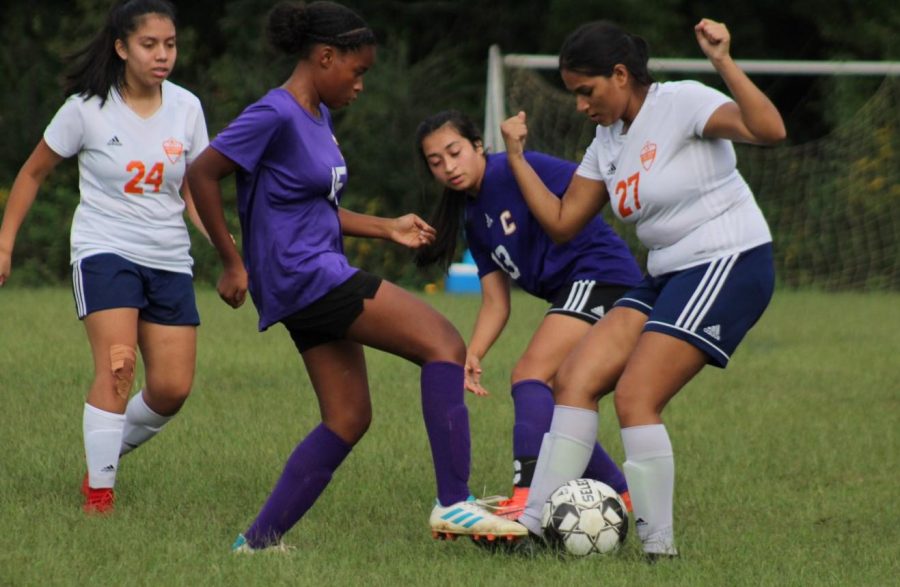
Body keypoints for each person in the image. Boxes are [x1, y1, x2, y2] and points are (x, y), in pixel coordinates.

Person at [185, 1, 526, 552]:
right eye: (357, 70)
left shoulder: (319, 116)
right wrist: (232, 261)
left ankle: (256, 544)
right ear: (324, 57)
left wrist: (384, 228)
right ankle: (454, 503)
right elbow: (203, 171)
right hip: (305, 277)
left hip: (312, 276)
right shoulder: (274, 113)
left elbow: (308, 205)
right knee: (444, 343)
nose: (361, 83)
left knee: (347, 418)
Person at [499, 19, 785, 558]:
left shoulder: (680, 102)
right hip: (669, 272)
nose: (582, 105)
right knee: (574, 379)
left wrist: (723, 60)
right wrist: (515, 158)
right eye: (575, 94)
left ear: (621, 74)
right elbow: (563, 222)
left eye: (588, 91)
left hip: (729, 259)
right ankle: (534, 528)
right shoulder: (606, 143)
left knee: (635, 397)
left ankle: (660, 550)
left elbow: (769, 130)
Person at [0, 0, 210, 514]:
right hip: (104, 250)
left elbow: (196, 192)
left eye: (170, 44)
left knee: (172, 387)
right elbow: (32, 173)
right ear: (121, 48)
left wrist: (232, 254)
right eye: (149, 44)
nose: (163, 55)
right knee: (119, 368)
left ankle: (102, 456)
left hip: (169, 258)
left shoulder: (187, 108)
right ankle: (99, 494)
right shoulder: (85, 108)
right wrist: (4, 242)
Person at [415, 110, 643, 517]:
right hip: (578, 288)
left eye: (455, 152)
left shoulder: (515, 167)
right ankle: (625, 495)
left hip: (602, 275)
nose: (449, 167)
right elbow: (496, 301)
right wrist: (475, 352)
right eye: (436, 162)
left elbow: (590, 188)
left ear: (478, 147)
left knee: (528, 375)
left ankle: (526, 499)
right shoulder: (471, 217)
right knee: (557, 396)